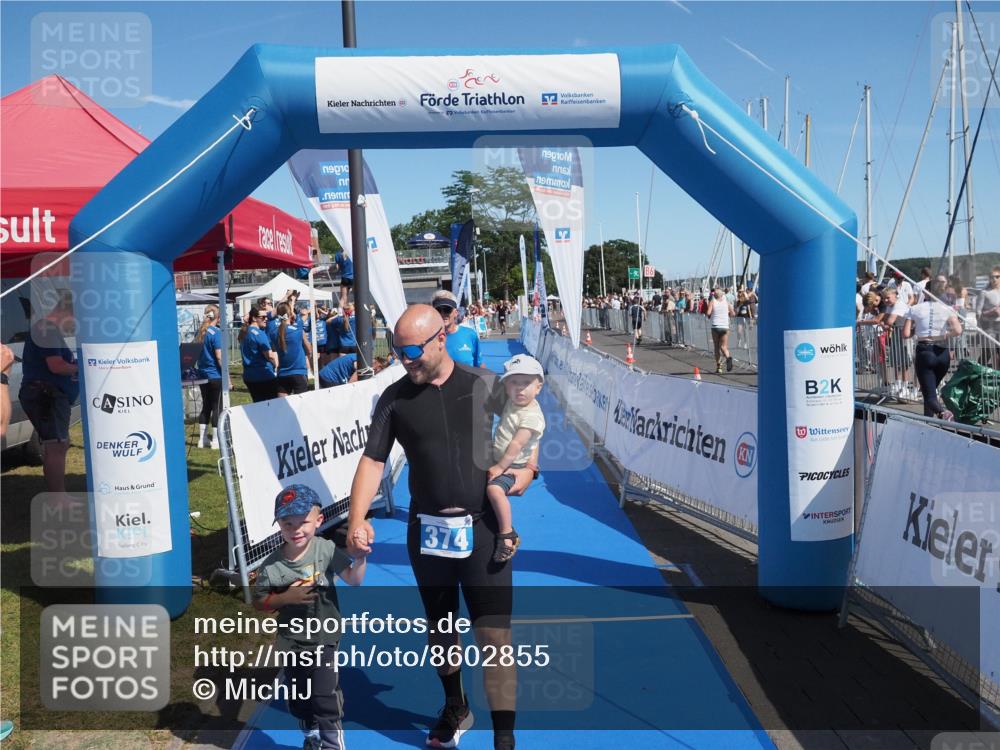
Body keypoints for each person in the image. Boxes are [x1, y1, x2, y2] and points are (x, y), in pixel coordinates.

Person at [346, 305, 537, 750]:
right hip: (428, 532)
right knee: (441, 629)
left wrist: (526, 472)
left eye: (413, 351)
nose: (404, 359)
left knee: (494, 636)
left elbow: (527, 429)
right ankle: (455, 705)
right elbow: (373, 461)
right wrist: (356, 519)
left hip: (483, 529)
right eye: (398, 351)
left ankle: (504, 736)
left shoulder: (483, 384)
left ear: (440, 339)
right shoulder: (394, 398)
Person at [254, 484, 366, 750]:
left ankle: (333, 745)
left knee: (325, 697)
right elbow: (259, 602)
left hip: (325, 638)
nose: (296, 530)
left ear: (318, 520)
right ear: (278, 525)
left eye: (303, 522)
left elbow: (353, 579)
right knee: (300, 698)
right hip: (292, 643)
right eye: (287, 523)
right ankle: (310, 732)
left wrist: (360, 559)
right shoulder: (271, 566)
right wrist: (285, 598)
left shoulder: (325, 550)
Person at [485, 355, 545, 563]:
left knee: (494, 490)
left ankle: (507, 534)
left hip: (513, 465)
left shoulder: (532, 415)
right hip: (500, 459)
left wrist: (500, 467)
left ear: (538, 388)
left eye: (526, 383)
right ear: (506, 387)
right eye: (514, 383)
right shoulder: (515, 403)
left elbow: (517, 444)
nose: (520, 388)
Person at [18, 297, 79, 494]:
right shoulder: (47, 329)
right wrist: (83, 367)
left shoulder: (47, 329)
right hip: (47, 395)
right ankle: (58, 498)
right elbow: (56, 366)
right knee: (56, 446)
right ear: (67, 312)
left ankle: (58, 495)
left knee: (59, 445)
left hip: (47, 394)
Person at [902, 277, 962, 420]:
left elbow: (905, 334)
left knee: (928, 393)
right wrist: (946, 335)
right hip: (942, 353)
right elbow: (958, 330)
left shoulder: (914, 309)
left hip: (925, 351)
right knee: (930, 390)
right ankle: (927, 420)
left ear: (926, 292)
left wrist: (916, 330)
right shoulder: (947, 309)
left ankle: (943, 414)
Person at [193, 305, 225, 449]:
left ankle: (202, 439)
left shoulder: (200, 332)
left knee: (206, 406)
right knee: (217, 407)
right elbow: (219, 357)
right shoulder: (216, 332)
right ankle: (216, 441)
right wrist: (227, 375)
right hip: (215, 375)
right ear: (218, 317)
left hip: (202, 374)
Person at [433, 289, 483, 368]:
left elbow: (479, 365)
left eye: (447, 309)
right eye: (438, 310)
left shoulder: (470, 334)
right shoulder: (428, 338)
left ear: (456, 313)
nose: (442, 314)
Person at [240, 306, 280, 402]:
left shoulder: (244, 331)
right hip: (263, 375)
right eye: (263, 317)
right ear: (254, 318)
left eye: (266, 317)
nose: (266, 319)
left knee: (258, 404)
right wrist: (277, 366)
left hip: (249, 376)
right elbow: (269, 356)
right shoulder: (259, 334)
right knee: (272, 405)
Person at [272, 301, 312, 396]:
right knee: (301, 403)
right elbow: (309, 349)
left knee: (282, 404)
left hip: (282, 373)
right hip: (299, 372)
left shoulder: (273, 333)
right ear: (290, 314)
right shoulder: (297, 330)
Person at [976, 266, 1000, 367]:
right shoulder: (984, 292)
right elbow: (978, 312)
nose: (994, 279)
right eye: (991, 277)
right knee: (987, 352)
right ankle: (976, 370)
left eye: (997, 276)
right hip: (989, 326)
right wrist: (991, 312)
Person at [706, 288, 733, 373]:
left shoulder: (712, 301)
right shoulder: (726, 302)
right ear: (722, 295)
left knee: (716, 347)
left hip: (715, 326)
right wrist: (727, 315)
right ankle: (728, 358)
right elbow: (733, 313)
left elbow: (708, 313)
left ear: (714, 295)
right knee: (724, 347)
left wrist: (710, 316)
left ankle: (719, 367)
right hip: (725, 326)